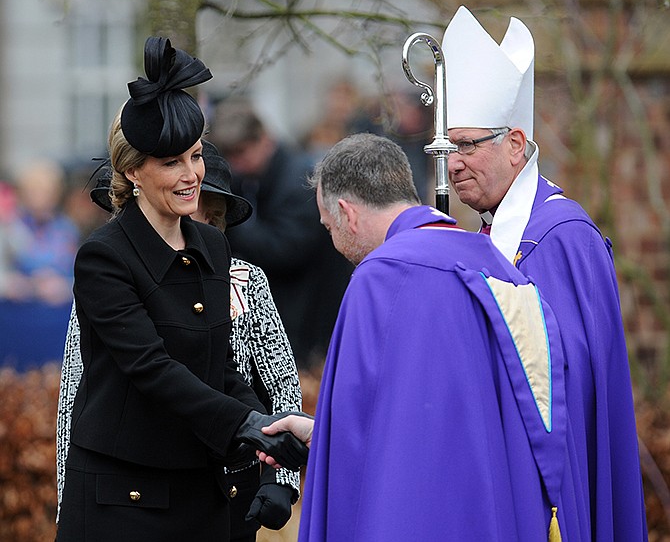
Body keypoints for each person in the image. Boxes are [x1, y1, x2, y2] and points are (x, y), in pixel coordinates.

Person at [262, 132, 590, 540]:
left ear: (346, 212)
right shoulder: (496, 264)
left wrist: (329, 441)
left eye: (329, 227)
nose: (334, 240)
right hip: (493, 512)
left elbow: (357, 435)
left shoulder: (377, 279)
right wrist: (319, 431)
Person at [56, 37, 307, 542]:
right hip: (122, 498)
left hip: (201, 489)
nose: (192, 175)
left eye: (194, 156)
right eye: (172, 162)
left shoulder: (211, 245)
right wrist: (245, 425)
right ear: (132, 172)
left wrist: (274, 431)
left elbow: (220, 366)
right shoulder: (103, 257)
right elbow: (151, 368)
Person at [441, 6, 647, 541]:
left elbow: (569, 374)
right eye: (448, 147)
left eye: (467, 145)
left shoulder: (560, 235)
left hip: (551, 484)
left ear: (515, 144)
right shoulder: (487, 234)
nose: (454, 163)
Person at [209, 97, 353, 371]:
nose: (236, 164)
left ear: (264, 139)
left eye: (241, 152)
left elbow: (285, 250)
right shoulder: (255, 176)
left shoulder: (298, 179)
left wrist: (230, 218)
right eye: (230, 156)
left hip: (307, 320)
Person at [0, 159, 79, 370]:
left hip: (56, 321)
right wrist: (12, 284)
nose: (40, 198)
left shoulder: (66, 229)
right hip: (17, 319)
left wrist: (63, 287)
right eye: (33, 191)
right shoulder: (10, 229)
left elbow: (80, 277)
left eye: (45, 191)